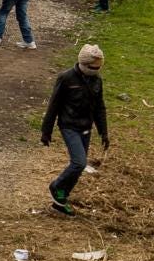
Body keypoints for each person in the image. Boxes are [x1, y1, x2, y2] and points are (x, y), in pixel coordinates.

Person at [41, 43, 109, 215]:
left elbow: (99, 107)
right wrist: (46, 130)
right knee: (79, 163)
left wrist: (104, 131)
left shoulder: (97, 80)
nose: (96, 70)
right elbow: (53, 105)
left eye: (99, 67)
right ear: (83, 64)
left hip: (86, 127)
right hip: (69, 126)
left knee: (78, 169)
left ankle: (60, 199)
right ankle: (56, 186)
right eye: (94, 67)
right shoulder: (66, 78)